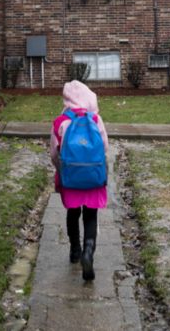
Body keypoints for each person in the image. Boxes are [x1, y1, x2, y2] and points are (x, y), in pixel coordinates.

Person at [49, 79, 109, 281]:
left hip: (71, 178)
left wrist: (62, 171)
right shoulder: (95, 119)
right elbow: (105, 148)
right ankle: (88, 251)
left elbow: (54, 154)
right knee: (91, 215)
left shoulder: (60, 121)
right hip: (93, 178)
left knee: (73, 214)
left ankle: (75, 251)